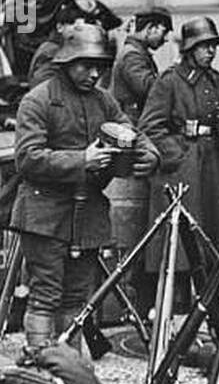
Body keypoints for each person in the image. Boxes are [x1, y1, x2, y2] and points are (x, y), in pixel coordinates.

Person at [11, 24, 159, 359]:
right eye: (86, 66)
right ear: (65, 62)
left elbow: (131, 131)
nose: (94, 74)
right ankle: (42, 369)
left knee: (78, 298)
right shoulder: (38, 101)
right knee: (46, 294)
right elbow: (27, 158)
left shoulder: (103, 101)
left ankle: (72, 372)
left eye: (100, 67)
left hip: (88, 215)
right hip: (45, 215)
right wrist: (82, 160)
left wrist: (150, 153)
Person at [138, 17, 219, 275]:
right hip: (184, 172)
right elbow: (150, 127)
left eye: (213, 45)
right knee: (183, 247)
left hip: (217, 168)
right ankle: (177, 307)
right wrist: (179, 154)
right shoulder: (170, 81)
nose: (210, 51)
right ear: (188, 49)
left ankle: (213, 306)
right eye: (203, 46)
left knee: (218, 238)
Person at [112, 9, 171, 122]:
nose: (166, 38)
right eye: (164, 31)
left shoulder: (137, 52)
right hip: (132, 124)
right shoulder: (132, 55)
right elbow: (149, 90)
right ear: (150, 29)